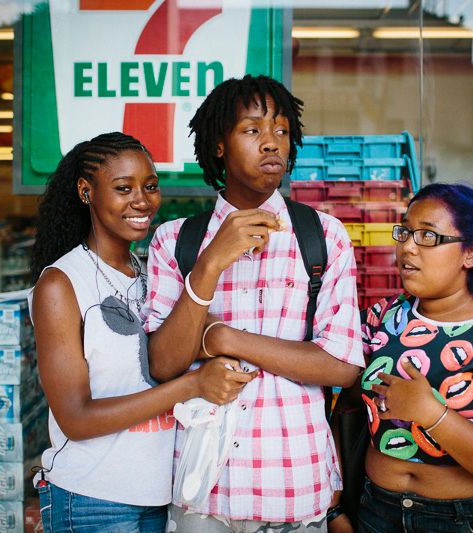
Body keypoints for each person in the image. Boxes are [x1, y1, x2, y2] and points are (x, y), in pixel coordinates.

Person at [143, 74, 365, 532]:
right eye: (252, 130)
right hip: (201, 487)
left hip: (295, 481)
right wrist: (208, 265)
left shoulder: (322, 237)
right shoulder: (176, 240)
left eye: (281, 131)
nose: (271, 144)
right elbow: (163, 365)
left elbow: (343, 366)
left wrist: (224, 338)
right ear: (219, 145)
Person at [28, 132, 255, 533]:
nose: (142, 200)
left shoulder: (149, 273)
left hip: (156, 497)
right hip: (91, 500)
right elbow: (76, 418)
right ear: (86, 192)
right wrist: (194, 385)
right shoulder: (61, 284)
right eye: (123, 188)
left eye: (150, 186)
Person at [335, 182, 473, 533]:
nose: (408, 247)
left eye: (427, 236)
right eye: (405, 232)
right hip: (377, 510)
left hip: (471, 520)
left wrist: (433, 414)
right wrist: (335, 506)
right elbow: (345, 407)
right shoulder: (383, 318)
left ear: (471, 253)